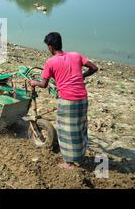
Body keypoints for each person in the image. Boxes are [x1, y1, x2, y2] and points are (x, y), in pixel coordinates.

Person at [30, 32, 98, 170]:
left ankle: (69, 163)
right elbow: (94, 68)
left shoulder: (51, 62)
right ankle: (80, 156)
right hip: (83, 99)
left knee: (65, 131)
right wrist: (82, 76)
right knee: (80, 128)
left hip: (68, 100)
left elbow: (43, 84)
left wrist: (33, 82)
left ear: (50, 47)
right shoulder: (76, 55)